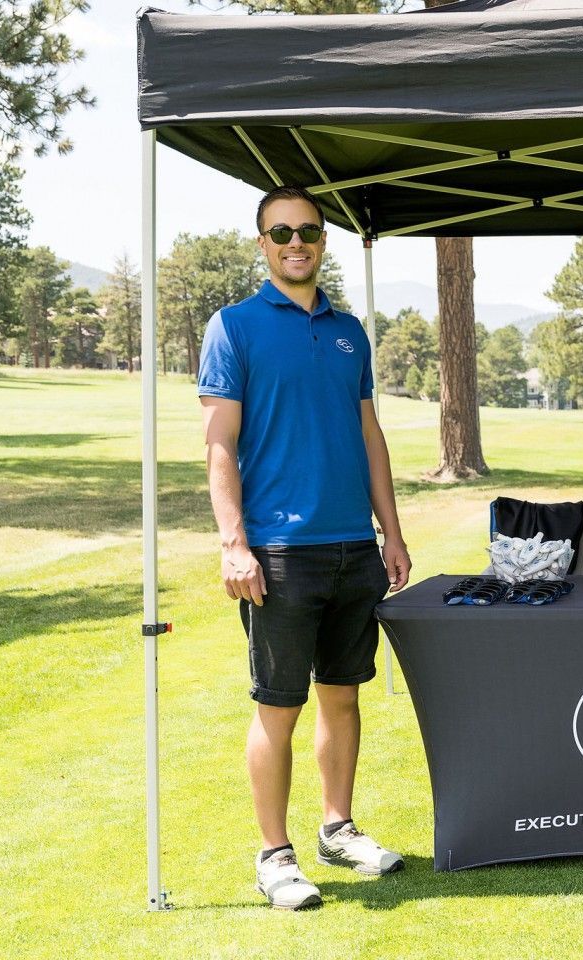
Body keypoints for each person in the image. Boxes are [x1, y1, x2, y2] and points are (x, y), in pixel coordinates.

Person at [198, 185, 413, 909]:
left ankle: (337, 828)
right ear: (261, 243)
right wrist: (235, 544)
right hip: (279, 553)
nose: (297, 242)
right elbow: (218, 444)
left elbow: (368, 434)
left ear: (324, 241)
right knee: (278, 707)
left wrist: (393, 531)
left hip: (355, 546)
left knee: (343, 698)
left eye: (310, 232)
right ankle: (275, 855)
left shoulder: (350, 330)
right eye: (281, 231)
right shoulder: (233, 327)